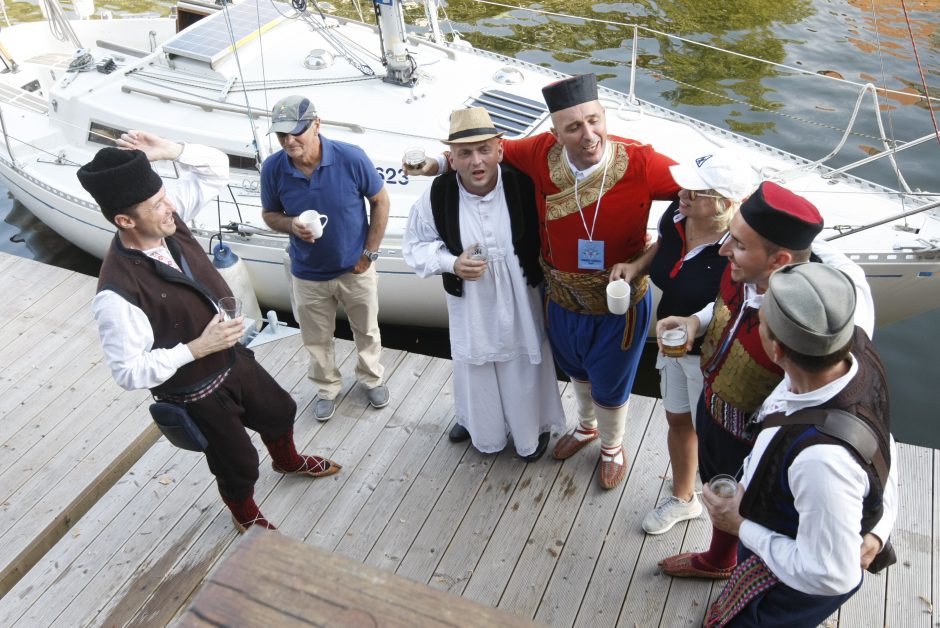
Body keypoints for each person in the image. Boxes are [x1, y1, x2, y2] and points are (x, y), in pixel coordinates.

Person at [414, 74, 680, 489]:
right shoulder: (537, 152)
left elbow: (698, 202)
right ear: (554, 132)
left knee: (611, 377)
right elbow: (477, 154)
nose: (588, 135)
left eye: (594, 121)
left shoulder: (641, 161)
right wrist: (434, 164)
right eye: (573, 127)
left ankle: (612, 446)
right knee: (576, 367)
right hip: (560, 298)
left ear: (604, 116)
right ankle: (586, 427)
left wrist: (645, 260)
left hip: (618, 300)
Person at [78, 130, 340, 533]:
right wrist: (197, 348)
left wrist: (170, 151)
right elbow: (128, 372)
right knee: (237, 462)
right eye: (156, 205)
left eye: (165, 196)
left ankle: (287, 461)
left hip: (234, 358)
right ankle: (243, 512)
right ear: (125, 221)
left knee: (280, 411)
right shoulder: (116, 294)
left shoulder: (166, 219)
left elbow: (217, 171)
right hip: (197, 392)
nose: (169, 207)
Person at [657, 181, 877, 578]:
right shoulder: (742, 267)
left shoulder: (802, 337)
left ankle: (740, 568)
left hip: (757, 440)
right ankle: (720, 559)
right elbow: (727, 304)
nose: (724, 251)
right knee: (718, 486)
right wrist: (697, 320)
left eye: (738, 245)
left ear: (779, 261)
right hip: (713, 406)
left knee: (751, 506)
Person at [702, 262, 897, 627]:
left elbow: (830, 576)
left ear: (775, 348)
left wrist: (740, 525)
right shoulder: (857, 356)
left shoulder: (821, 461)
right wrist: (880, 526)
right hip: (792, 535)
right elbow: (884, 441)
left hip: (788, 585)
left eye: (760, 320)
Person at [403, 107, 570, 460]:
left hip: (521, 300)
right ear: (451, 157)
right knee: (472, 363)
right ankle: (478, 423)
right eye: (464, 154)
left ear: (500, 150)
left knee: (523, 363)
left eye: (484, 150)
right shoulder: (437, 194)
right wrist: (452, 263)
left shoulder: (522, 184)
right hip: (471, 301)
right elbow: (415, 245)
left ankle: (531, 430)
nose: (476, 162)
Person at [617, 148, 757, 534]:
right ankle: (684, 499)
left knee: (715, 438)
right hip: (672, 343)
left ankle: (728, 525)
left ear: (723, 204)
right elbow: (663, 246)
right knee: (678, 418)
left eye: (695, 191)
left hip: (712, 357)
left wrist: (696, 323)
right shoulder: (675, 216)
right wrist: (635, 266)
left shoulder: (739, 247)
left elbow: (736, 298)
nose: (682, 193)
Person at [261, 95, 391, 421]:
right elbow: (269, 214)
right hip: (307, 273)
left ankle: (371, 378)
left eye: (296, 131)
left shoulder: (350, 157)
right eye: (281, 135)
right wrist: (290, 224)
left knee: (367, 329)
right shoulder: (273, 169)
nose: (289, 141)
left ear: (317, 125)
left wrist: (369, 254)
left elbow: (381, 201)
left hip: (355, 268)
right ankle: (327, 388)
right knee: (316, 338)